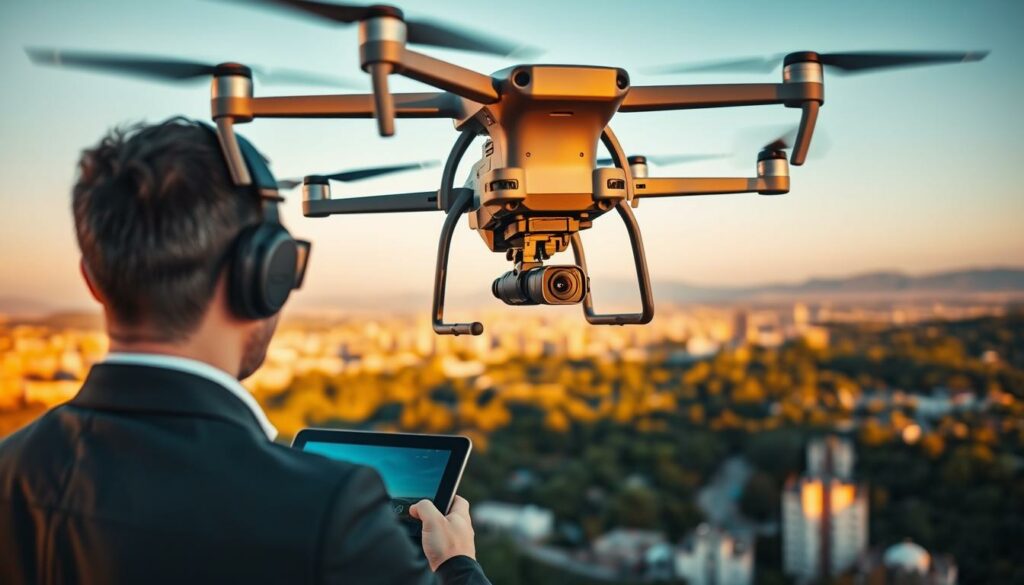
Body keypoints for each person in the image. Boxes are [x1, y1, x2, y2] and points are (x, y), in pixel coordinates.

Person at [0, 118, 489, 584]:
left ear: (92, 280)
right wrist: (457, 566)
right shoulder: (328, 511)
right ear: (265, 276)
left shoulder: (10, 467)